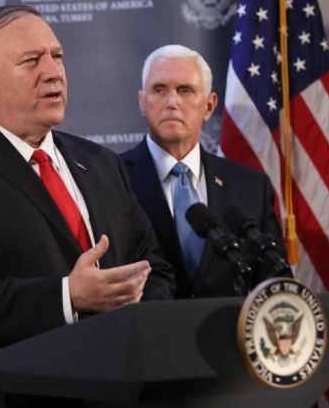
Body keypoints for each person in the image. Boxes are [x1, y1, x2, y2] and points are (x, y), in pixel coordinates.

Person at [0, 5, 175, 408]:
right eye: (31, 61)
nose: (53, 71)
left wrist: (129, 319)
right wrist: (68, 296)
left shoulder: (99, 162)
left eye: (57, 56)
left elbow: (154, 266)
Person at [119, 45, 289, 299]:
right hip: (144, 334)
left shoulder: (250, 185)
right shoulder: (111, 178)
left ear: (209, 106)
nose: (171, 102)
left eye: (185, 90)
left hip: (228, 334)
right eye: (159, 90)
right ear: (143, 103)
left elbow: (276, 284)